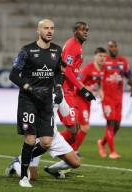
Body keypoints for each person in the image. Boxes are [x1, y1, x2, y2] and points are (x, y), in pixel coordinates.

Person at [9, 19, 63, 187]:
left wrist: (59, 88)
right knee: (31, 139)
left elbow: (57, 73)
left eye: (52, 28)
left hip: (46, 102)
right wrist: (30, 88)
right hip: (29, 100)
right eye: (46, 28)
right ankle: (24, 177)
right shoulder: (27, 50)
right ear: (38, 31)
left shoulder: (57, 50)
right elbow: (13, 74)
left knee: (46, 142)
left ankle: (19, 161)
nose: (49, 31)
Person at [6, 96, 80, 180]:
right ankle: (16, 162)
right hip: (36, 136)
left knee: (75, 163)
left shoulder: (58, 90)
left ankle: (51, 170)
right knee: (32, 177)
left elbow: (65, 112)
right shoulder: (36, 89)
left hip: (53, 135)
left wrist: (61, 99)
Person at [59, 21, 95, 149]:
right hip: (64, 90)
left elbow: (72, 72)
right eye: (82, 29)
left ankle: (68, 157)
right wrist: (82, 89)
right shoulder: (72, 46)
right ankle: (42, 145)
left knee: (76, 129)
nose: (86, 32)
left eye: (87, 29)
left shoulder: (77, 46)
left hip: (70, 90)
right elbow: (67, 71)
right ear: (75, 32)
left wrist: (83, 89)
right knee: (73, 130)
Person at [97, 40, 132, 159]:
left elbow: (128, 75)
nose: (113, 48)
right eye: (111, 47)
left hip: (119, 98)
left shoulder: (122, 61)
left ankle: (102, 143)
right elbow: (98, 78)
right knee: (111, 123)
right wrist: (100, 91)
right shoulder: (104, 62)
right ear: (108, 49)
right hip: (107, 98)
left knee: (117, 125)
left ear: (117, 47)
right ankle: (112, 152)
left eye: (115, 46)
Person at [71, 47, 107, 151]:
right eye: (100, 56)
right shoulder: (88, 68)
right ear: (95, 56)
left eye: (104, 56)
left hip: (87, 101)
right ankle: (74, 150)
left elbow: (99, 84)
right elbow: (77, 82)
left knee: (76, 128)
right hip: (79, 99)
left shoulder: (102, 69)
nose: (102, 58)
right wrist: (87, 89)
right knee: (85, 127)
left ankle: (68, 149)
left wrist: (101, 93)